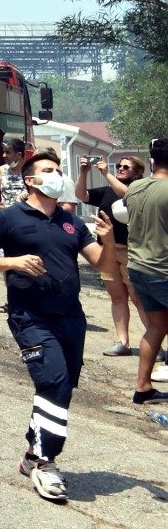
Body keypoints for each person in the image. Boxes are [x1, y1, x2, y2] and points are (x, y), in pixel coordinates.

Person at [0, 150, 115, 503]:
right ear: (31, 180)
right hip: (30, 316)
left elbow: (101, 262)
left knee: (62, 388)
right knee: (52, 380)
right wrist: (15, 262)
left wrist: (109, 238)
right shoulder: (8, 218)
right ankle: (46, 464)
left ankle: (31, 455)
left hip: (71, 316)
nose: (57, 175)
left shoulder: (71, 222)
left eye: (58, 170)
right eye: (48, 170)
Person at [82, 154, 146, 356]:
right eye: (119, 165)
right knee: (117, 297)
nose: (120, 168)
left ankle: (155, 343)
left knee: (138, 298)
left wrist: (107, 173)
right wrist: (83, 173)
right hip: (108, 249)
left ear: (137, 172)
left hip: (131, 250)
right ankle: (122, 342)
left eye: (126, 167)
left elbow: (127, 195)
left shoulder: (140, 188)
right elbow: (81, 195)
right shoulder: (108, 190)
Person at [123, 138, 168, 404]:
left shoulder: (135, 188)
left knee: (157, 326)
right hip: (163, 268)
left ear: (152, 161)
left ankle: (143, 387)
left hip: (138, 267)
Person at [0, 137, 29, 213]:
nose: (3, 155)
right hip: (6, 215)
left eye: (8, 152)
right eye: (4, 152)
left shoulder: (31, 171)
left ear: (19, 154)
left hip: (25, 215)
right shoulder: (1, 170)